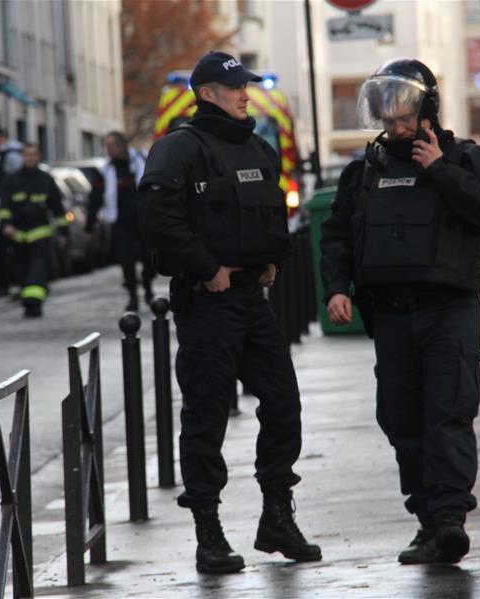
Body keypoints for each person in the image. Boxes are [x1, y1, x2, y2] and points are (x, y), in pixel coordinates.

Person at [320, 58, 480, 565]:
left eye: (406, 118)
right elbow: (338, 237)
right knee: (401, 419)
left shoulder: (464, 159)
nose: (397, 128)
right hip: (392, 316)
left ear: (427, 111)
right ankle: (428, 523)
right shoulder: (364, 172)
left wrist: (438, 168)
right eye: (389, 119)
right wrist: (337, 288)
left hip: (450, 309)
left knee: (448, 414)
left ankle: (449, 521)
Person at [139, 51, 321, 574]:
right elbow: (158, 218)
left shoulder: (259, 147)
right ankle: (208, 532)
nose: (245, 93)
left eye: (245, 84)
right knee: (207, 416)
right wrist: (204, 267)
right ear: (207, 94)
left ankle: (277, 518)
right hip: (208, 301)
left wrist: (272, 261)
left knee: (283, 402)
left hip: (250, 298)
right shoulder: (180, 149)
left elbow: (274, 213)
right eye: (234, 86)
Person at [0, 143, 69, 317]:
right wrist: (6, 225)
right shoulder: (12, 180)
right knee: (22, 272)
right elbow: (4, 206)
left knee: (38, 270)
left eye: (33, 154)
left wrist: (63, 232)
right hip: (18, 235)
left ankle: (35, 303)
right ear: (23, 157)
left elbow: (57, 208)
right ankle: (28, 301)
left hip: (40, 233)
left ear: (38, 157)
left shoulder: (46, 180)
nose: (30, 158)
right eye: (27, 155)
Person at [86, 131, 154, 311]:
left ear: (121, 146)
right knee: (126, 260)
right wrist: (90, 225)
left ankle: (148, 286)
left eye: (110, 146)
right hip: (120, 222)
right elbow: (95, 198)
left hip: (144, 220)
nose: (107, 150)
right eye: (105, 146)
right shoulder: (105, 170)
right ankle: (133, 296)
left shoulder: (142, 160)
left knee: (150, 257)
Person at [0, 128, 24, 297]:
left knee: (4, 247)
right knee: (10, 248)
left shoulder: (11, 155)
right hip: (11, 209)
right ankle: (15, 284)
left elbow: (15, 183)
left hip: (14, 211)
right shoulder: (9, 154)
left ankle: (7, 285)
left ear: (1, 138)